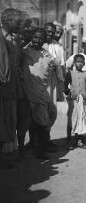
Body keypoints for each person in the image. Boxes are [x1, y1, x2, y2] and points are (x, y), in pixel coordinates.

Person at [22, 28, 58, 160]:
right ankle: (30, 148)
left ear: (44, 41)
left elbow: (53, 68)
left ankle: (41, 148)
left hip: (42, 92)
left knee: (44, 121)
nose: (37, 40)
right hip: (28, 91)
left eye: (40, 38)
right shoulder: (25, 53)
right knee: (30, 122)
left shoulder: (47, 55)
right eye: (35, 37)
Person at [0, 8, 23, 162]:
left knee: (12, 120)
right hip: (3, 86)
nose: (20, 25)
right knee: (4, 121)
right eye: (17, 22)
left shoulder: (15, 39)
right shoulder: (1, 38)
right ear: (7, 21)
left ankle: (9, 153)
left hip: (14, 87)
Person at [64, 54, 86, 149]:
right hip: (74, 101)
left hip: (83, 101)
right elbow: (65, 85)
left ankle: (80, 141)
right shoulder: (70, 73)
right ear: (74, 63)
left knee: (82, 119)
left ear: (84, 63)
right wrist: (69, 92)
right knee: (73, 119)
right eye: (78, 61)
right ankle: (71, 141)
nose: (80, 64)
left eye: (82, 62)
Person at [43, 22, 65, 148]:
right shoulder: (38, 44)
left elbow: (61, 64)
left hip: (54, 81)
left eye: (57, 32)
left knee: (52, 110)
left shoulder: (57, 46)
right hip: (41, 81)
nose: (52, 34)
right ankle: (39, 141)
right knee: (41, 110)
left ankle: (46, 137)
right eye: (50, 31)